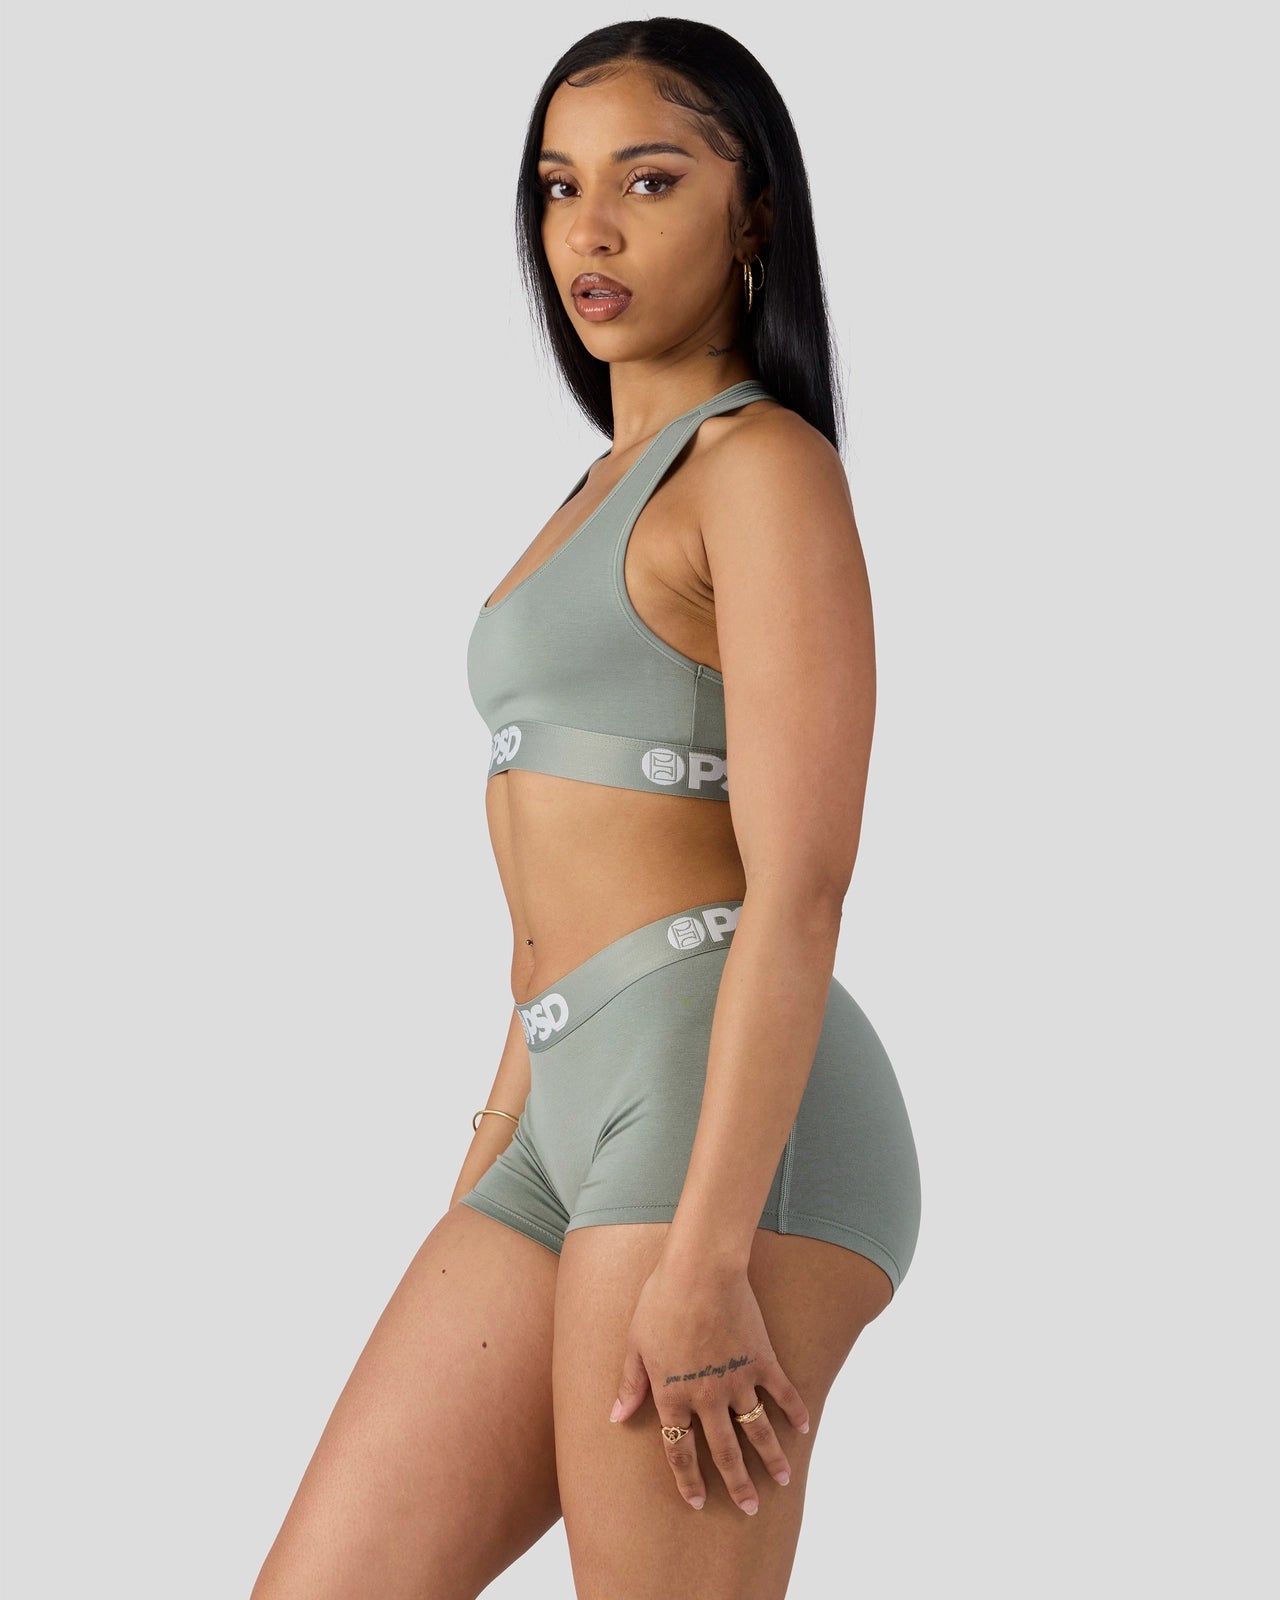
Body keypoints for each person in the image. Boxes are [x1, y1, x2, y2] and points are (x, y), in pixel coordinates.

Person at [251, 17, 921, 1600]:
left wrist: (708, 1250)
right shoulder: (599, 491)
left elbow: (802, 884)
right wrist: (489, 1164)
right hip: (562, 1113)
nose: (590, 231)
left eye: (650, 180)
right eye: (560, 186)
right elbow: (547, 907)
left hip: (719, 1117)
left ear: (755, 213)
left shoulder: (761, 467)